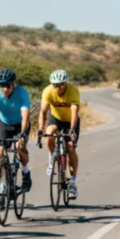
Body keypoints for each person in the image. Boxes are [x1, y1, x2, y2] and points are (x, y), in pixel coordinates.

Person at [0, 68, 32, 194]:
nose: (4, 89)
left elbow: (25, 115)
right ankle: (1, 183)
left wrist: (22, 134)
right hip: (4, 124)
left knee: (19, 147)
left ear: (13, 84)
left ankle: (26, 171)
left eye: (7, 86)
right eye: (1, 85)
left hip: (20, 124)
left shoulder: (21, 93)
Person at [38, 69, 81, 200]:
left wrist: (72, 130)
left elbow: (74, 112)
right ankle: (51, 159)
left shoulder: (73, 91)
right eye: (55, 85)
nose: (58, 87)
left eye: (61, 85)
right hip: (56, 119)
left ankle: (73, 181)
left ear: (65, 83)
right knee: (49, 134)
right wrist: (40, 130)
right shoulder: (48, 91)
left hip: (70, 121)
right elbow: (43, 112)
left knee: (70, 147)